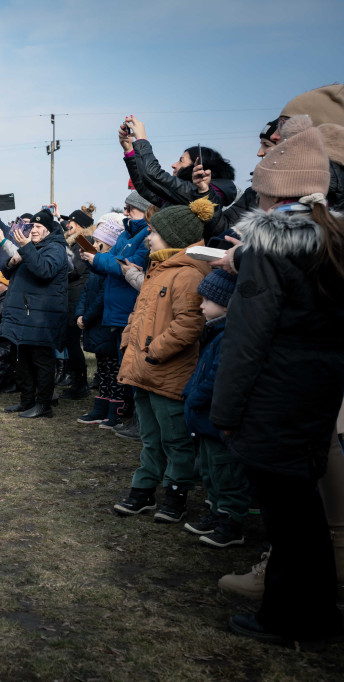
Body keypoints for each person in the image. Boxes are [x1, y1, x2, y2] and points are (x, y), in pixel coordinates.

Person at [209, 115, 344, 646]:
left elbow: (247, 341)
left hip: (273, 399)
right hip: (316, 395)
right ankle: (318, 614)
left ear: (273, 196)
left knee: (289, 523)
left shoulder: (267, 250)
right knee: (303, 513)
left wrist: (225, 411)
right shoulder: (330, 242)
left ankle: (291, 618)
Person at [113, 199, 211, 522]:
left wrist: (155, 351)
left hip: (167, 371)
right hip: (142, 367)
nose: (147, 238)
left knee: (175, 438)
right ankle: (143, 490)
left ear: (173, 236)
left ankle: (177, 492)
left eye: (153, 232)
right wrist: (129, 339)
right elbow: (138, 313)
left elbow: (189, 323)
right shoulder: (157, 271)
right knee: (150, 437)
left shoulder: (187, 276)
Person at [181, 269, 248, 548]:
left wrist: (196, 397)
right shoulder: (214, 331)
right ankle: (215, 511)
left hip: (216, 417)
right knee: (210, 470)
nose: (201, 305)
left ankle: (231, 522)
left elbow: (218, 376)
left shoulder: (229, 335)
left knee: (225, 472)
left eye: (207, 300)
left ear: (225, 304)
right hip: (205, 419)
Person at [82, 197, 153, 437]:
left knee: (126, 368)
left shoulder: (146, 236)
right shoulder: (126, 235)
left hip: (128, 311)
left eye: (130, 208)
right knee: (111, 367)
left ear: (144, 210)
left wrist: (101, 259)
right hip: (115, 312)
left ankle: (126, 414)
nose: (125, 212)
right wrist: (93, 261)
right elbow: (113, 262)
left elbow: (129, 265)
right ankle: (113, 411)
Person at [0, 209, 68, 418]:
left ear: (48, 229)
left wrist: (26, 248)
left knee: (41, 360)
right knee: (21, 359)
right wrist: (11, 262)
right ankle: (26, 400)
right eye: (32, 227)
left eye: (39, 227)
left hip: (41, 316)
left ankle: (44, 404)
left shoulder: (55, 249)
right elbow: (8, 271)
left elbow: (44, 270)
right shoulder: (31, 247)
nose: (34, 230)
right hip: (23, 313)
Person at [121, 115, 238, 209]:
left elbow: (153, 176)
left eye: (181, 161)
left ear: (198, 167)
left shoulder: (199, 194)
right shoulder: (183, 194)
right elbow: (145, 187)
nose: (174, 165)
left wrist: (142, 139)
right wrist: (129, 150)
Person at [75, 219, 123, 427]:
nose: (94, 244)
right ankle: (100, 407)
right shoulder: (96, 268)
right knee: (102, 369)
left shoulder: (109, 266)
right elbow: (86, 292)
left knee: (113, 370)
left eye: (98, 241)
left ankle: (115, 411)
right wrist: (80, 314)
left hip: (105, 324)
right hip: (94, 324)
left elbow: (103, 296)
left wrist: (87, 317)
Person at [58, 205, 95, 398]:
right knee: (69, 342)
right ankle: (76, 380)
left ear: (79, 225)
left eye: (70, 223)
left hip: (77, 296)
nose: (67, 227)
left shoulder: (84, 241)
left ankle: (80, 385)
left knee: (72, 343)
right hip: (71, 296)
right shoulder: (76, 240)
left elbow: (76, 270)